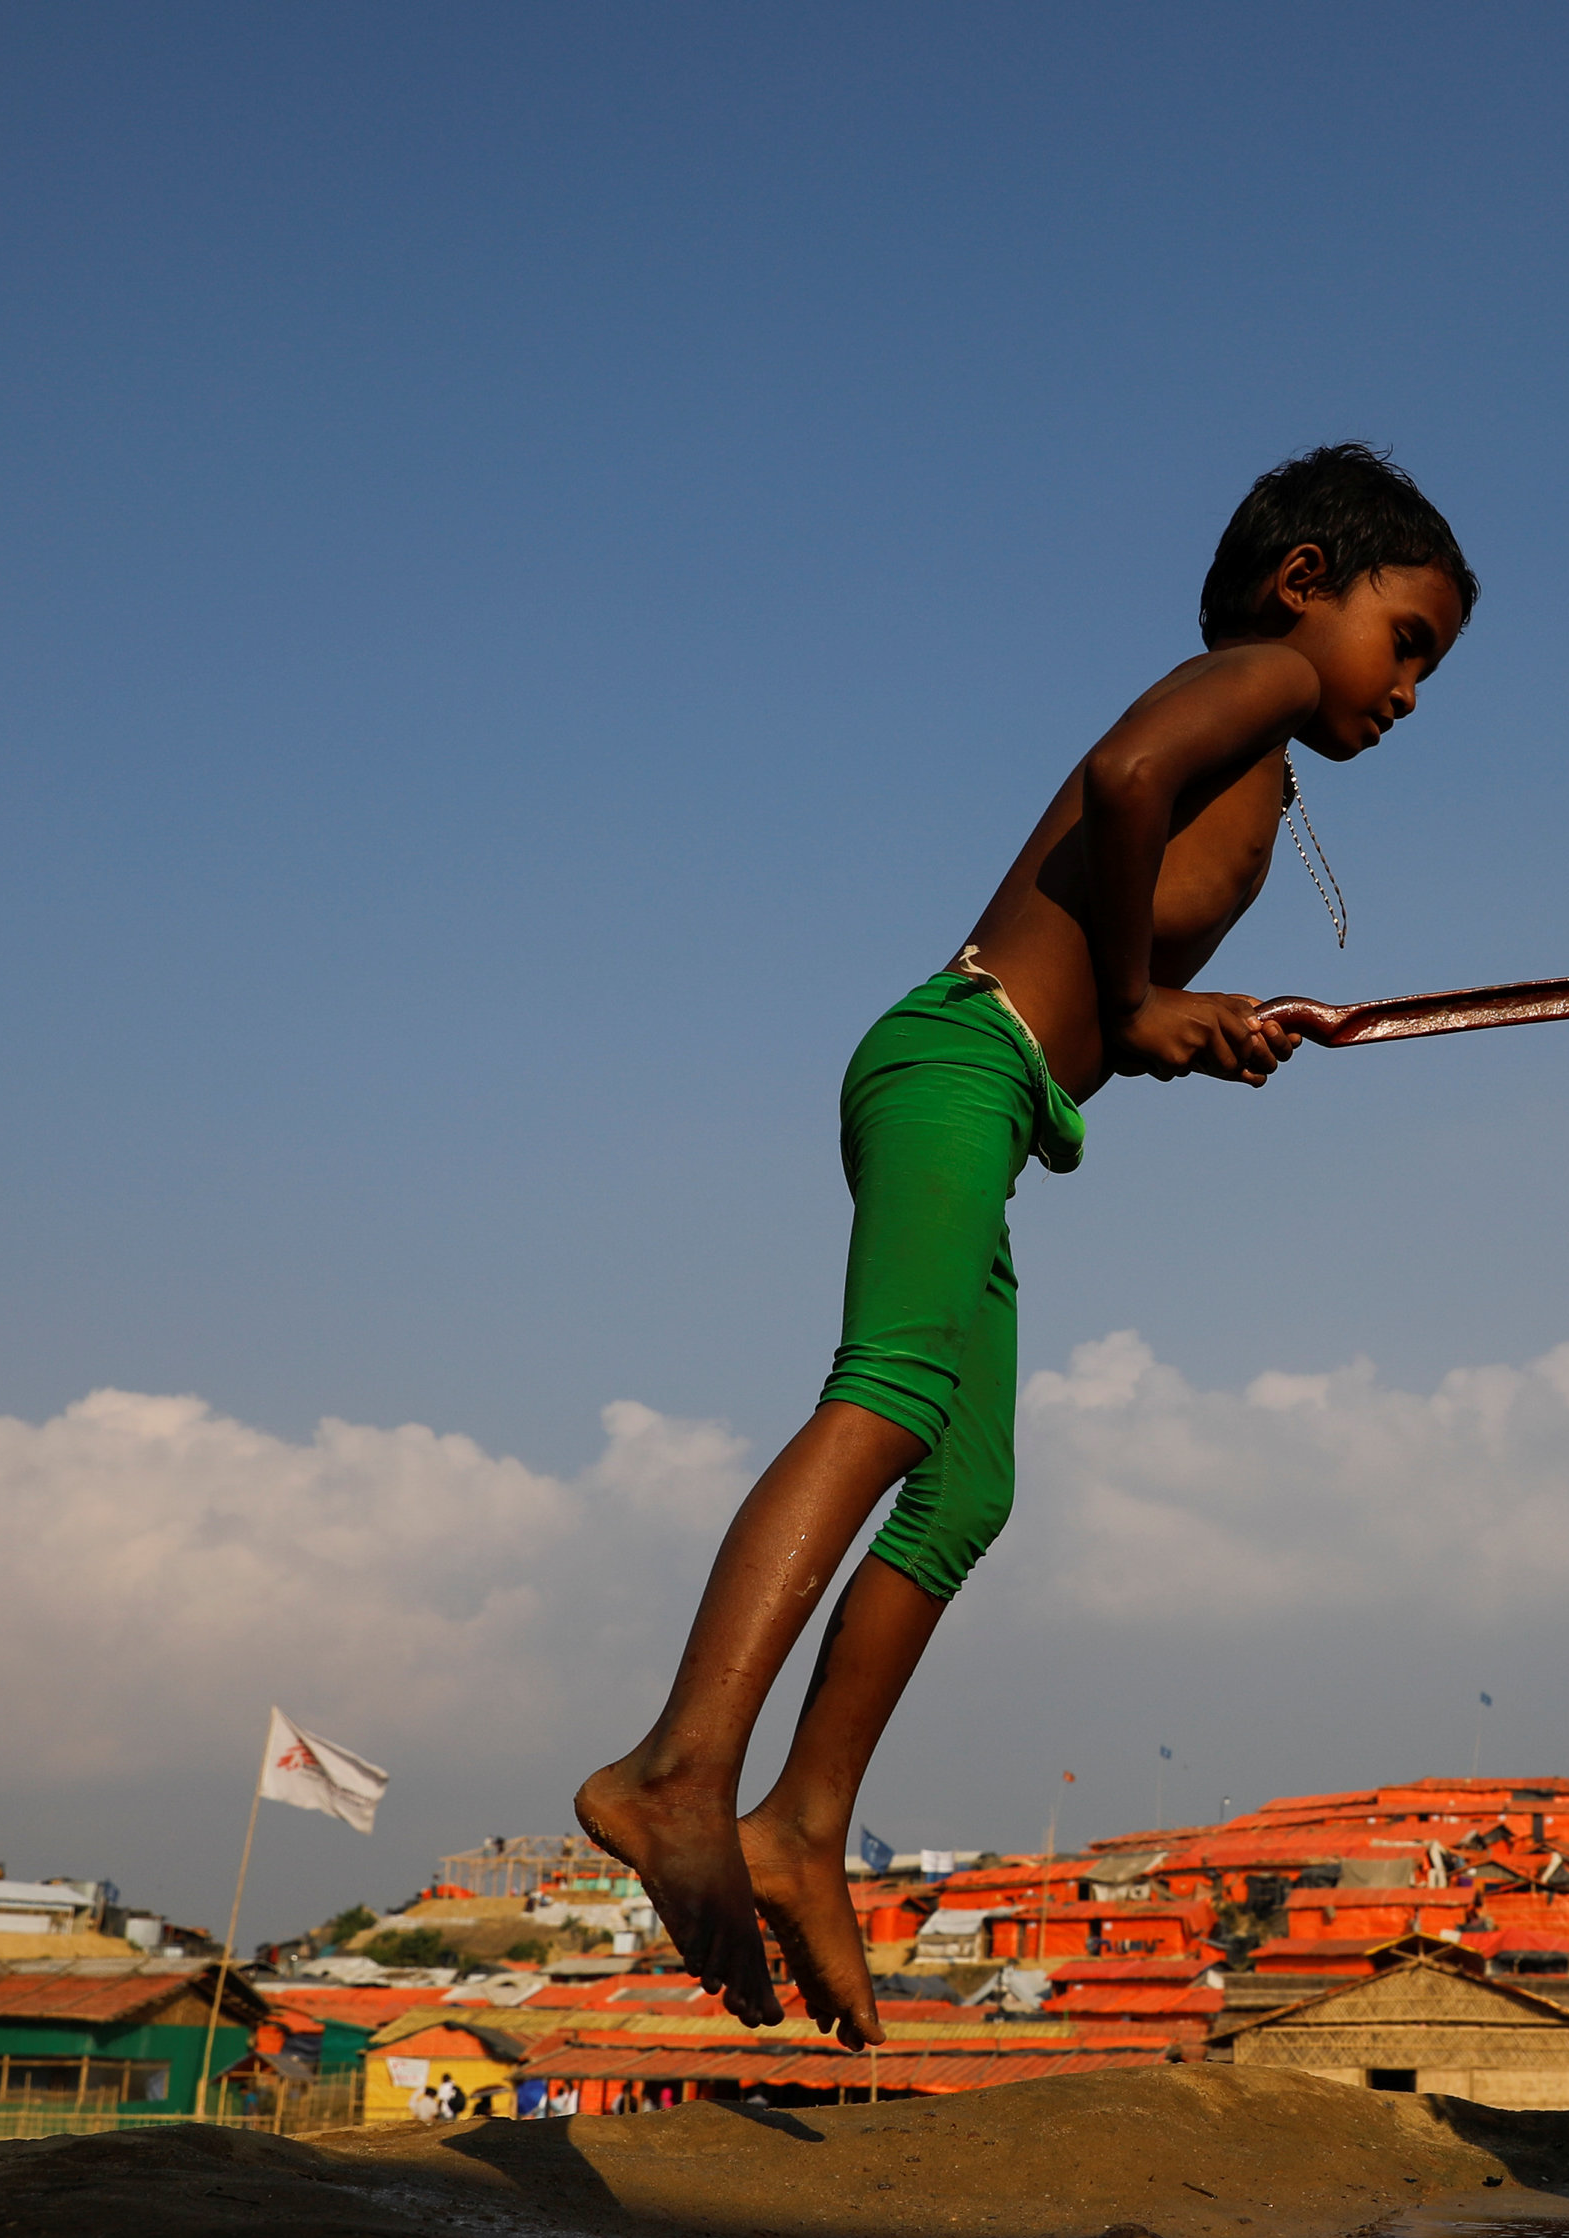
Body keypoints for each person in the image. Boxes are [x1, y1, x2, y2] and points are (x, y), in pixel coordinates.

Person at [577, 445, 1476, 2048]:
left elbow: (1110, 982)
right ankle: (677, 1767)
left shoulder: (1272, 745)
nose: (1412, 691)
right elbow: (1124, 781)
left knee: (968, 1484)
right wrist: (1135, 1003)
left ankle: (800, 1826)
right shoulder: (1258, 677)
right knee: (895, 1388)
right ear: (1305, 582)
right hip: (956, 1058)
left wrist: (1169, 1032)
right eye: (1406, 639)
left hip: (998, 1085)